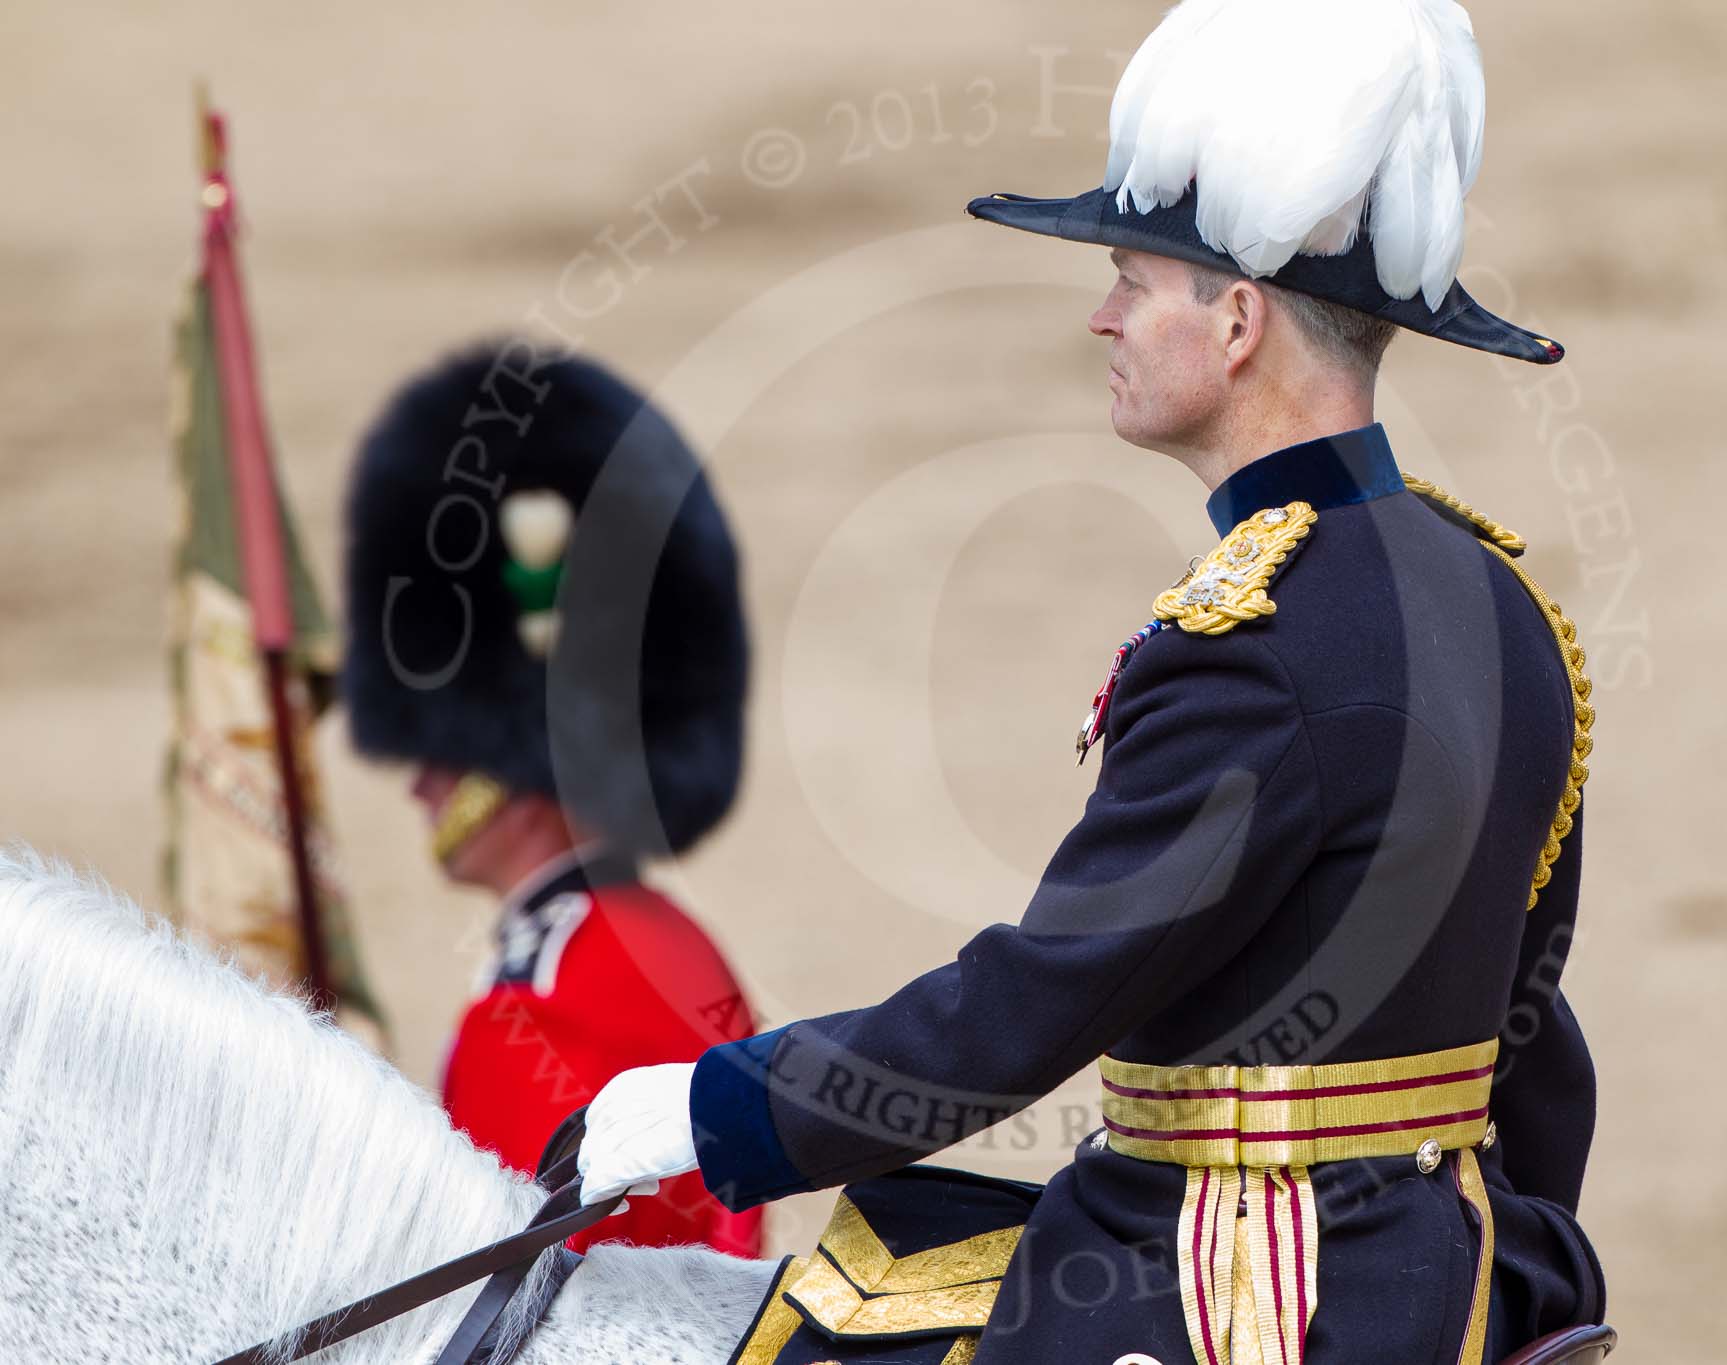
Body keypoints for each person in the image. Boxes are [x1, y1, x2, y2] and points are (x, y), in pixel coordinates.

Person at [582, 0, 1607, 1358]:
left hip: (1233, 1296)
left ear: (1238, 321)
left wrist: (721, 1115)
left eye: (1132, 279)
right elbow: (1533, 1035)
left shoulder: (1250, 647)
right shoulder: (1503, 603)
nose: (1099, 315)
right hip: (1451, 1271)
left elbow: (1027, 1009)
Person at [341, 346, 762, 1257]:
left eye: (444, 751)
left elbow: (492, 1288)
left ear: (519, 754)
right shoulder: (664, 942)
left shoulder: (547, 991)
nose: (419, 779)